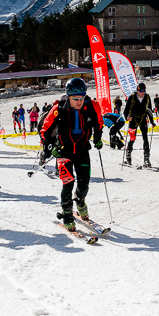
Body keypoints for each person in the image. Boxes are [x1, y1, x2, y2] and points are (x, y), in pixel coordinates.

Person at [39, 78, 103, 231]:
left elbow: (98, 122)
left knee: (84, 184)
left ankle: (80, 200)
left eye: (82, 97)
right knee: (68, 182)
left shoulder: (92, 106)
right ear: (68, 96)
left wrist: (98, 138)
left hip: (82, 150)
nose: (79, 101)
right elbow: (45, 129)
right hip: (64, 150)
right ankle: (67, 213)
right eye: (75, 99)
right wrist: (48, 146)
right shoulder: (59, 108)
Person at [123, 82, 156, 167]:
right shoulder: (132, 97)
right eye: (140, 90)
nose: (142, 92)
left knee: (145, 139)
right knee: (132, 138)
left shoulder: (147, 97)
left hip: (143, 119)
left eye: (144, 90)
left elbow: (149, 111)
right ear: (137, 90)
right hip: (133, 120)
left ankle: (146, 159)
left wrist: (152, 121)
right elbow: (126, 110)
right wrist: (127, 117)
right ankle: (128, 155)